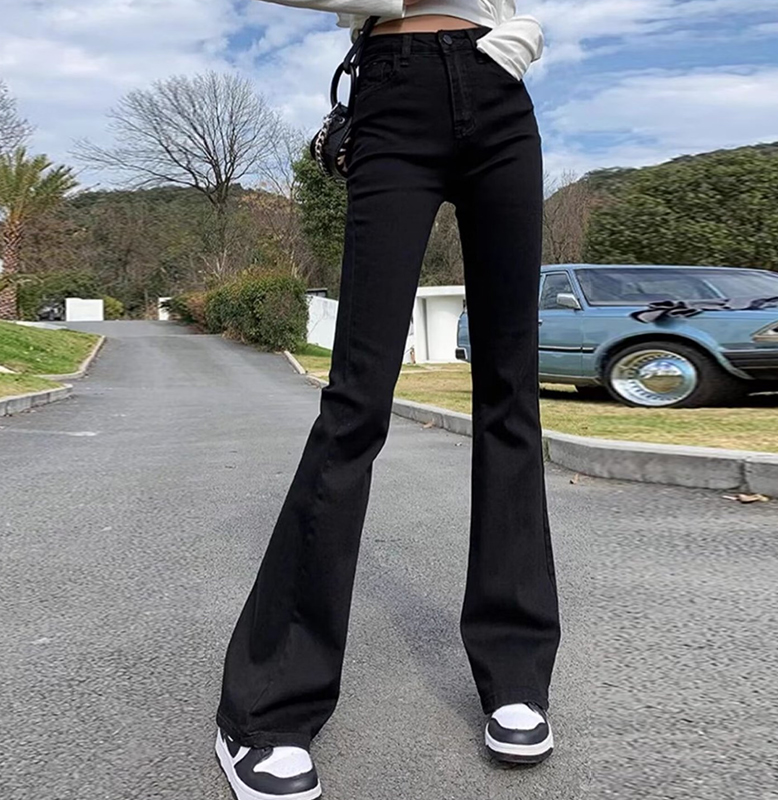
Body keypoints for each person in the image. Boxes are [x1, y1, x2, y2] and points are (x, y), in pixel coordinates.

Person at [214, 1, 561, 798]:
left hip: (499, 87)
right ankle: (266, 709)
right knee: (357, 401)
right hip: (395, 91)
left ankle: (516, 670)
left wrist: (523, 30)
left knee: (511, 391)